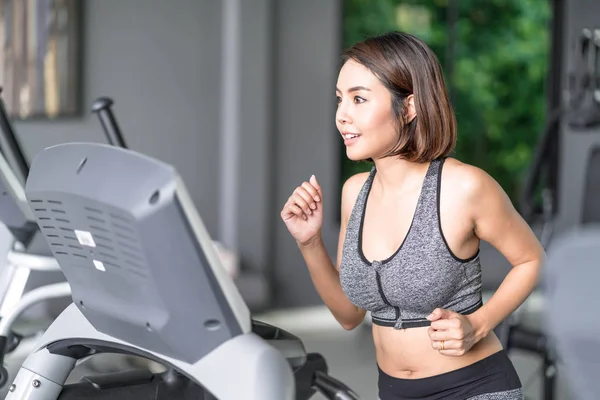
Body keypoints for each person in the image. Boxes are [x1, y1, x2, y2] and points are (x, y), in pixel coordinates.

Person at [280, 31, 545, 400]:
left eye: (359, 99)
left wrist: (480, 324)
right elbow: (349, 315)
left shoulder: (463, 187)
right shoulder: (354, 192)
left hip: (475, 388)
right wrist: (309, 242)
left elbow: (532, 259)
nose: (342, 115)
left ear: (409, 107)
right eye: (340, 100)